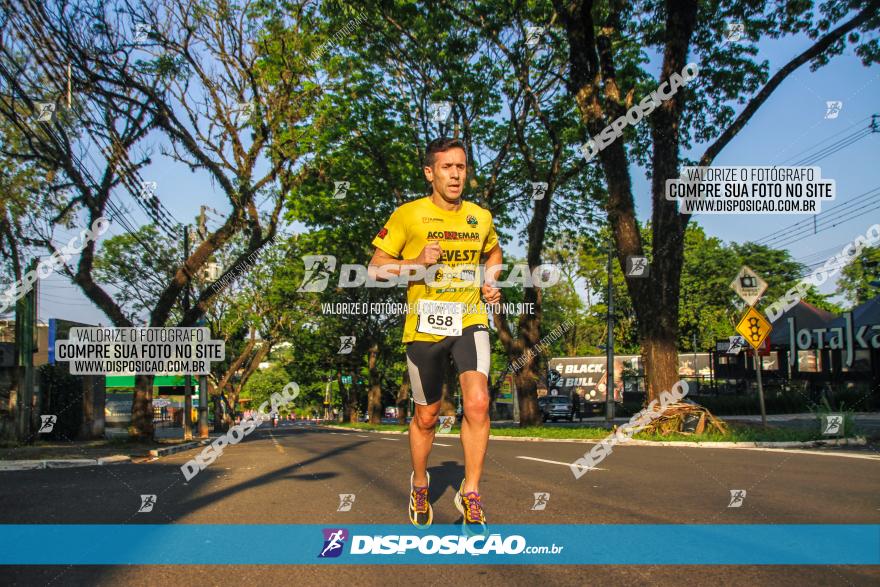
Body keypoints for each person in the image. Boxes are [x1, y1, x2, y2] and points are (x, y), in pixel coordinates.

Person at [368, 137, 503, 535]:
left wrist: (489, 281)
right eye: (447, 167)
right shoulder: (408, 216)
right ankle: (421, 483)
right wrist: (415, 262)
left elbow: (492, 253)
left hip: (470, 317)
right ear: (430, 173)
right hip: (426, 323)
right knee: (427, 415)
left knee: (477, 403)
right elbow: (376, 267)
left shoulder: (481, 216)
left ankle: (472, 491)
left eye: (461, 166)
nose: (456, 174)